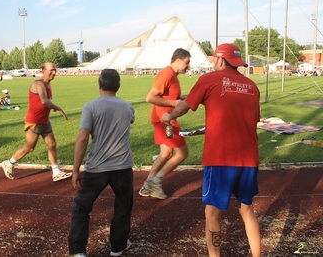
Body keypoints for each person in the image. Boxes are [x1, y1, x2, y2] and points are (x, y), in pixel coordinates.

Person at [162, 43, 261, 257]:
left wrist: (169, 117)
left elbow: (184, 106)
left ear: (220, 60)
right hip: (249, 158)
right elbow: (256, 119)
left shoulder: (208, 79)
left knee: (212, 213)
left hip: (221, 158)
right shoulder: (252, 86)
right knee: (247, 210)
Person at [68, 69, 135, 257]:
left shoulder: (90, 107)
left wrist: (75, 171)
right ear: (118, 86)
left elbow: (82, 139)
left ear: (99, 85)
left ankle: (77, 250)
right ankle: (118, 247)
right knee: (123, 206)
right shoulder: (128, 107)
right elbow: (129, 122)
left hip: (96, 167)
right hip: (122, 167)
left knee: (81, 207)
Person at [1, 62, 71, 182]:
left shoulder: (48, 85)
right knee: (30, 148)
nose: (54, 72)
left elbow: (46, 102)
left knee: (52, 144)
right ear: (43, 70)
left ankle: (56, 172)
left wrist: (52, 106)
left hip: (44, 120)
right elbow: (44, 101)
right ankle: (9, 163)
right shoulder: (38, 84)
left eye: (55, 70)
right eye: (51, 70)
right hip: (35, 121)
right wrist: (59, 108)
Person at [138, 48, 190, 199]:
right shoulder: (167, 73)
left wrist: (183, 99)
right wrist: (175, 102)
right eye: (187, 62)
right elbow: (150, 97)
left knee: (166, 153)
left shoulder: (172, 74)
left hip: (161, 119)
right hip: (165, 122)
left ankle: (148, 185)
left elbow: (170, 96)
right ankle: (155, 181)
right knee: (182, 153)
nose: (188, 65)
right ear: (178, 60)